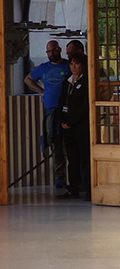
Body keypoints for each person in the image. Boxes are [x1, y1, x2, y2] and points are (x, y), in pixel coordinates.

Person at [25, 40, 71, 190]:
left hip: (68, 109)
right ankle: (60, 176)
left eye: (53, 51)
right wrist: (41, 91)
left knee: (71, 143)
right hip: (50, 110)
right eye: (48, 52)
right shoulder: (43, 68)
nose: (51, 54)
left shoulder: (68, 66)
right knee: (54, 141)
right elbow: (28, 79)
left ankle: (77, 178)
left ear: (59, 50)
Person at [56, 52, 91, 200]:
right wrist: (62, 121)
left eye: (77, 63)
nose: (74, 66)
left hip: (80, 126)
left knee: (85, 158)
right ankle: (73, 188)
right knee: (72, 159)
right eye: (71, 63)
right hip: (67, 127)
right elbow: (62, 102)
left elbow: (84, 107)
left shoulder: (86, 82)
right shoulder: (67, 81)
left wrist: (72, 122)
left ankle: (90, 190)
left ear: (83, 65)